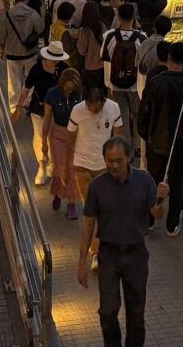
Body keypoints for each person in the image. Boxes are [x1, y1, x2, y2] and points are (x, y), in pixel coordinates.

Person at [77, 136, 170, 347]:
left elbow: (157, 214)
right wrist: (82, 261)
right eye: (109, 161)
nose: (114, 166)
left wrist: (162, 198)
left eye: (118, 161)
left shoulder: (144, 180)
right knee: (107, 310)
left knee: (136, 312)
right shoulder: (97, 186)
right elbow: (88, 224)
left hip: (136, 254)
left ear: (129, 157)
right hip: (108, 253)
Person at [137, 40, 183, 237]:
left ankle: (148, 220)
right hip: (180, 143)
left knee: (153, 181)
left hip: (155, 141)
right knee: (178, 183)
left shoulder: (155, 82)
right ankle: (172, 224)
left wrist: (148, 135)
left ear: (169, 56)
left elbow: (143, 116)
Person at [65, 87, 123, 266]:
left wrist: (120, 165)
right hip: (81, 165)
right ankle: (96, 252)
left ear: (103, 102)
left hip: (104, 167)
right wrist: (67, 167)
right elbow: (70, 139)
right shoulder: (78, 110)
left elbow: (118, 139)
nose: (91, 110)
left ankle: (100, 247)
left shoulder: (113, 108)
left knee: (103, 209)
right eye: (89, 106)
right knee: (92, 209)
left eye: (95, 108)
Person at [13, 41, 69, 187]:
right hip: (38, 109)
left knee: (52, 138)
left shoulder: (63, 70)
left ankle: (51, 164)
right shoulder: (37, 69)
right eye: (54, 59)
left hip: (57, 112)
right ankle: (41, 166)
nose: (56, 62)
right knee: (39, 137)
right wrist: (18, 107)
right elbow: (26, 89)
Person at [42, 67, 83, 218]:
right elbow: (47, 119)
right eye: (67, 85)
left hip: (74, 136)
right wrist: (44, 142)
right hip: (57, 135)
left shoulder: (78, 94)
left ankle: (71, 205)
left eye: (72, 86)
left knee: (72, 170)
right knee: (59, 168)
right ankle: (58, 194)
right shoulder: (52, 94)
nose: (69, 88)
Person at [103, 3, 146, 141]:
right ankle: (139, 147)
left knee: (120, 119)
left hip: (115, 84)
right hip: (136, 86)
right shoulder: (141, 37)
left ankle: (123, 149)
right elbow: (143, 63)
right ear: (134, 17)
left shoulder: (109, 36)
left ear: (119, 17)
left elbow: (105, 58)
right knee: (138, 115)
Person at [0, 0, 44, 108]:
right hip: (30, 52)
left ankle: (14, 103)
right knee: (30, 77)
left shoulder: (8, 15)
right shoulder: (33, 14)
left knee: (13, 79)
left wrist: (1, 48)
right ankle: (27, 101)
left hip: (12, 52)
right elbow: (39, 29)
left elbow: (2, 35)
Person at [76, 0, 107, 93]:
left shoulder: (84, 30)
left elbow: (82, 50)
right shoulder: (104, 25)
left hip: (91, 68)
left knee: (91, 95)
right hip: (104, 67)